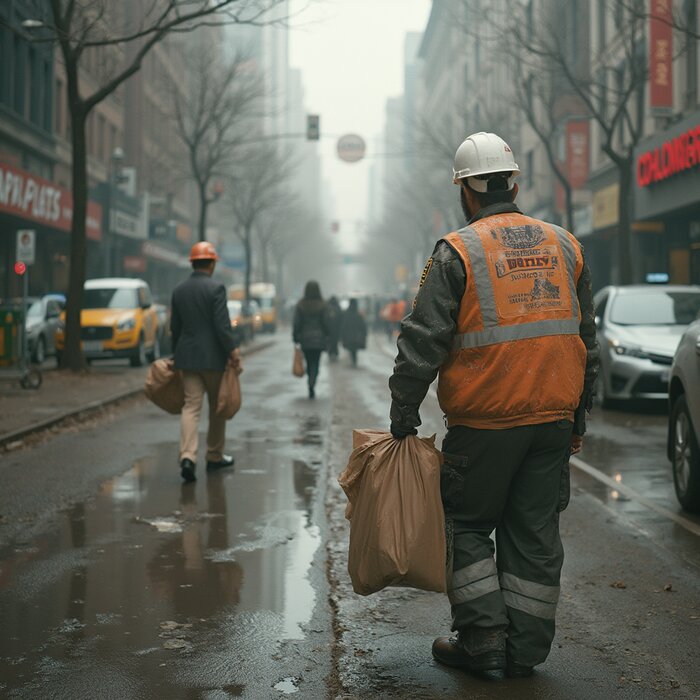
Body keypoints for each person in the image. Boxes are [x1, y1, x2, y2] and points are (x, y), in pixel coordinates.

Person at [388, 132, 599, 678]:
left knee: (465, 524)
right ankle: (525, 651)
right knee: (533, 535)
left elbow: (422, 339)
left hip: (484, 423)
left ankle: (483, 642)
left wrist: (404, 412)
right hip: (551, 421)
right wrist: (577, 419)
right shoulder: (566, 245)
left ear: (465, 190)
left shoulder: (457, 250)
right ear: (515, 182)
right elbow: (585, 341)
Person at [170, 241, 240, 483]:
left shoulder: (179, 290)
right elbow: (222, 327)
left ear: (193, 263)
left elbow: (175, 328)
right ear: (211, 264)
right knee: (217, 408)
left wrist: (174, 355)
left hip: (187, 358)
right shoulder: (216, 289)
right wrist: (232, 351)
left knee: (191, 407)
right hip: (213, 360)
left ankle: (187, 457)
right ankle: (214, 456)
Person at [293, 281, 329, 399]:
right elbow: (326, 322)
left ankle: (310, 380)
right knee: (316, 362)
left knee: (308, 361)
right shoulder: (323, 305)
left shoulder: (301, 305)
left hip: (305, 338)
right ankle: (313, 381)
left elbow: (296, 323)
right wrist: (327, 334)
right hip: (319, 339)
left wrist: (295, 336)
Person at [340, 298, 368, 367]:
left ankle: (353, 361)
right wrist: (364, 334)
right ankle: (354, 361)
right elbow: (362, 325)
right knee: (354, 349)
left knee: (351, 349)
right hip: (356, 336)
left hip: (349, 335)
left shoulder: (347, 313)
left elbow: (344, 325)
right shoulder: (358, 313)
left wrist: (342, 335)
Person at [327, 296, 342, 361]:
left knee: (330, 342)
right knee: (335, 342)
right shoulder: (338, 308)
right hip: (336, 329)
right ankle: (335, 353)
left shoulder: (327, 308)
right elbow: (341, 319)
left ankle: (331, 353)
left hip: (329, 329)